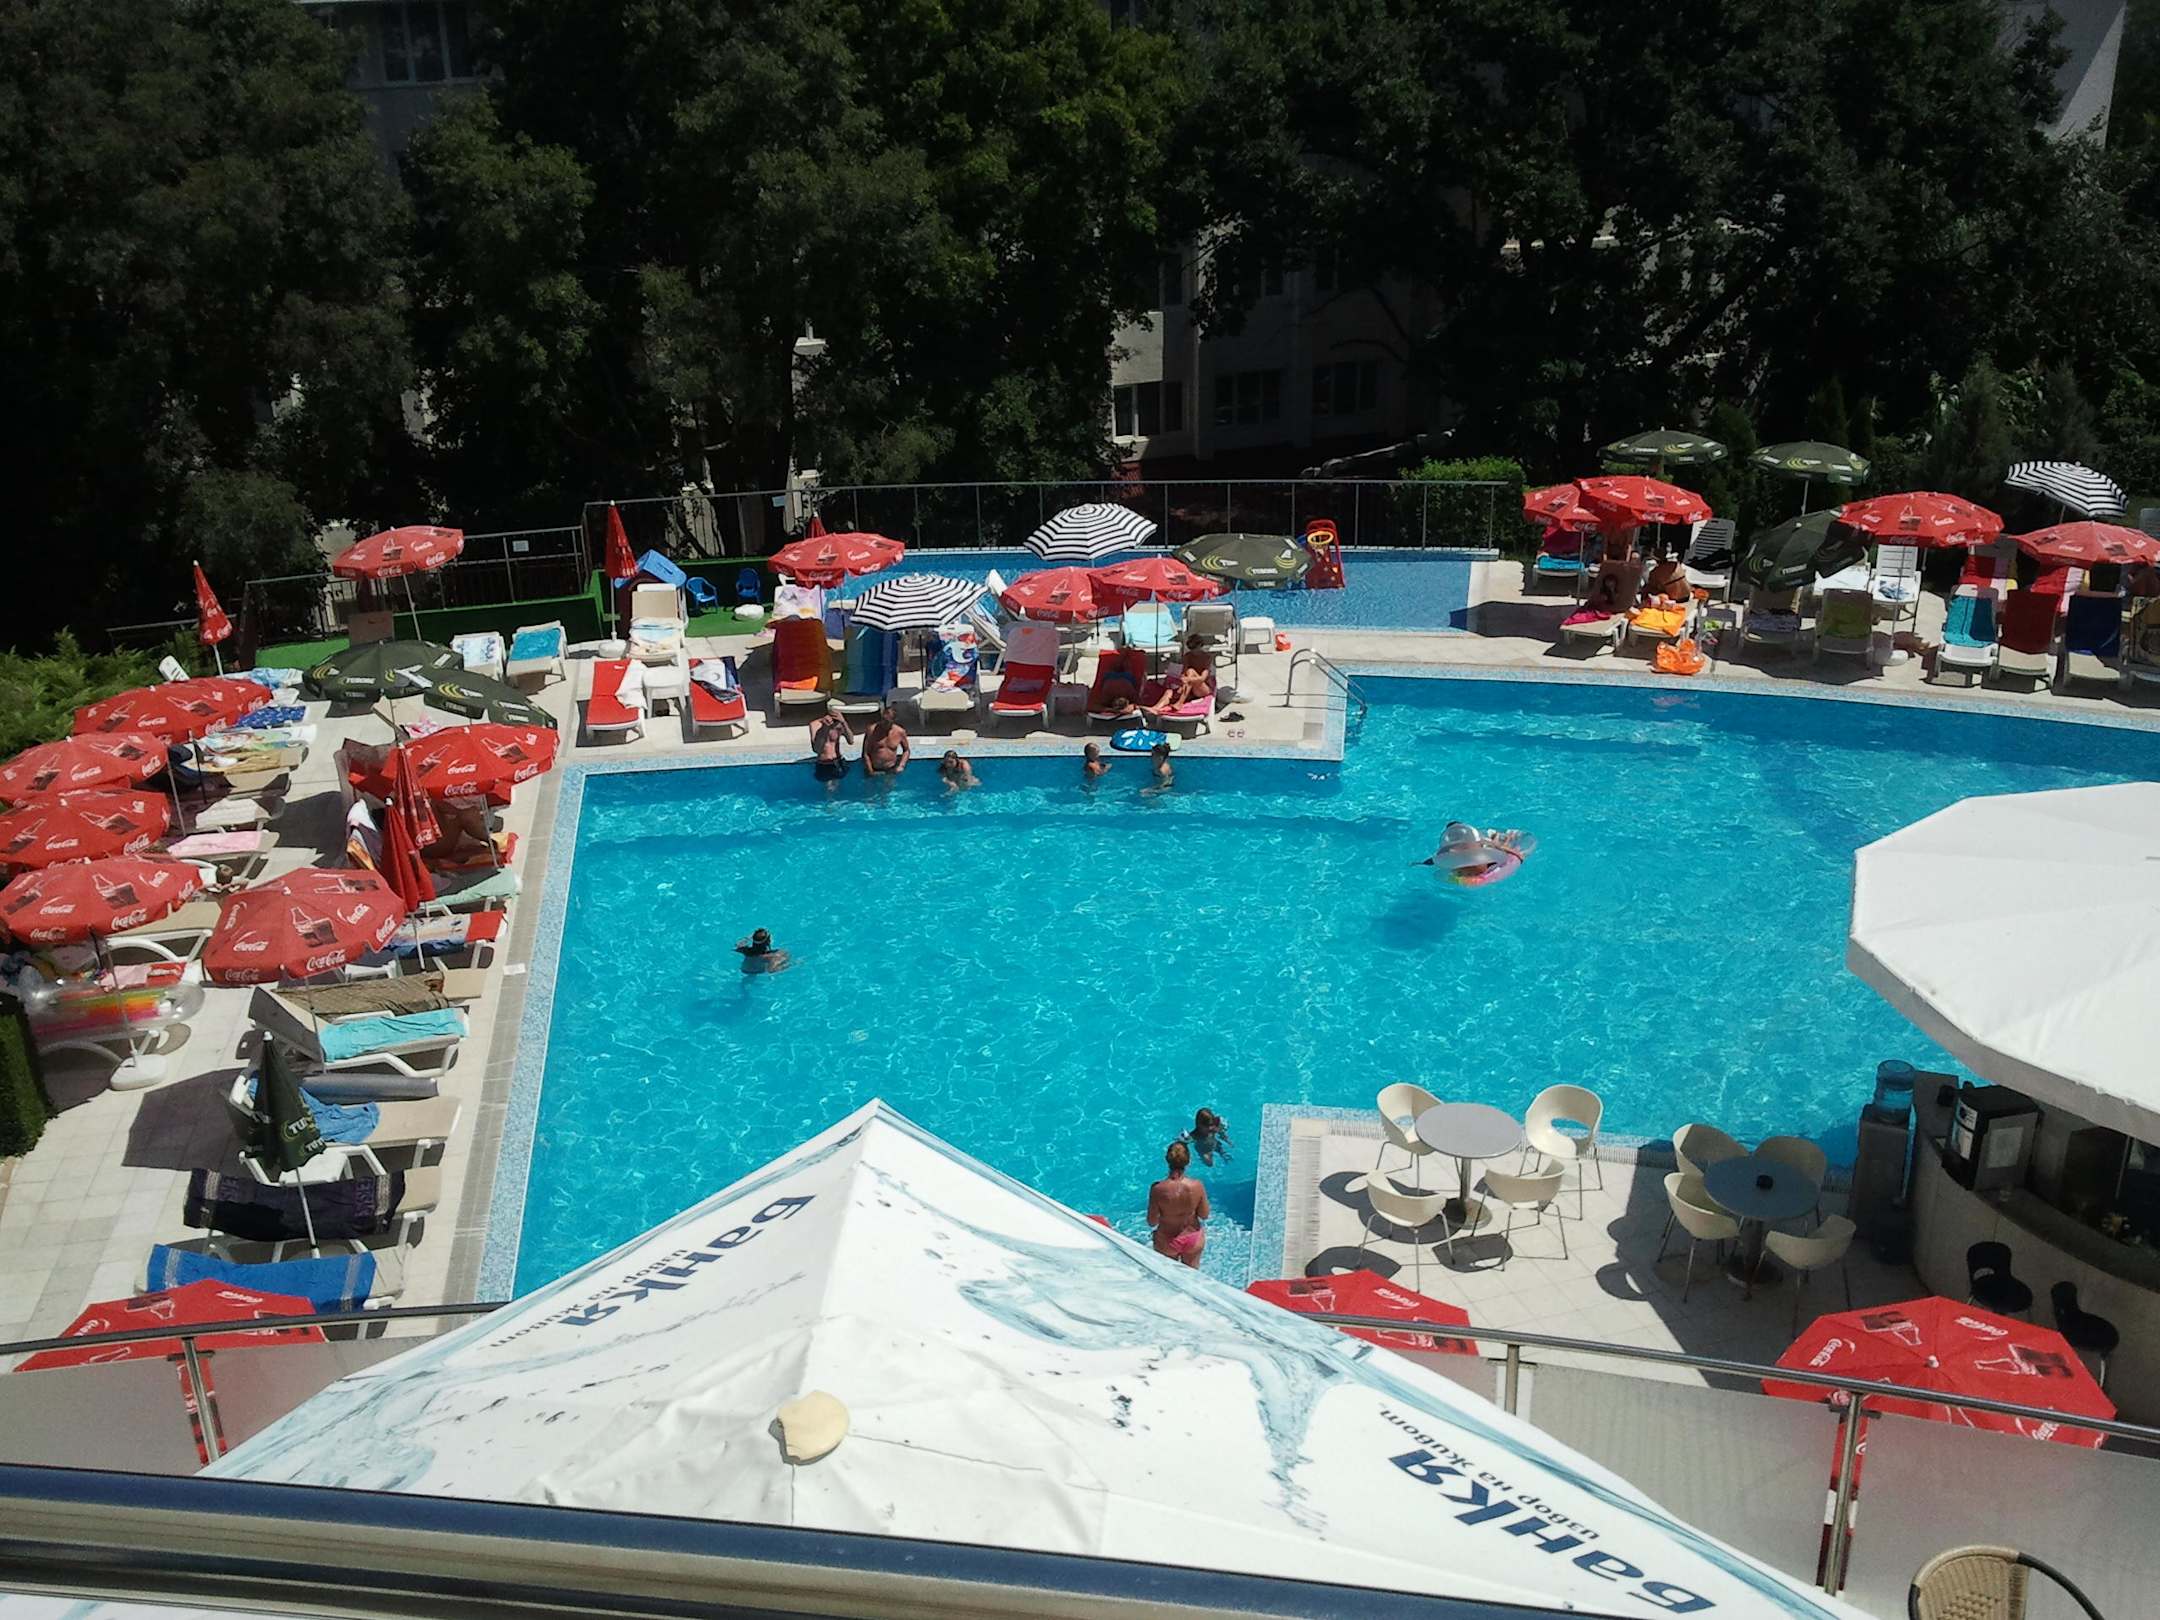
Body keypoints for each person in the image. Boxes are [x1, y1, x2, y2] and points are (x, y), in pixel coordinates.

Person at [1148, 1140, 1210, 1268]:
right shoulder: (1197, 1186)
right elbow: (1204, 1215)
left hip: (1167, 1240)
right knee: (1192, 1276)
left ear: (1167, 1160)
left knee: (1168, 1276)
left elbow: (1152, 1221)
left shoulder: (1158, 1189)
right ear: (1188, 1161)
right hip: (1192, 1238)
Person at [808, 706, 853, 787]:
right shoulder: (815, 724)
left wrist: (844, 722)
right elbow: (817, 749)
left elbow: (851, 741)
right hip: (823, 763)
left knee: (839, 788)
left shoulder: (839, 725)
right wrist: (824, 728)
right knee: (827, 789)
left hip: (838, 761)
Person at [862, 704, 911, 777]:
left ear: (893, 721)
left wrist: (901, 765)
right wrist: (870, 771)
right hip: (874, 768)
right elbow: (866, 753)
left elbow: (906, 750)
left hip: (891, 769)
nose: (883, 723)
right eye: (883, 720)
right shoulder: (872, 730)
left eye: (887, 722)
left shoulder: (900, 732)